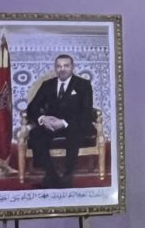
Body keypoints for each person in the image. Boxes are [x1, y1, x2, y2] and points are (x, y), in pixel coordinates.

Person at [25, 54, 96, 188]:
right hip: (51, 125)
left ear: (72, 67)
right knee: (35, 134)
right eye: (59, 66)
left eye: (66, 66)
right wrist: (43, 119)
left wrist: (63, 123)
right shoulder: (48, 85)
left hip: (74, 124)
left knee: (74, 132)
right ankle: (51, 174)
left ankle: (68, 175)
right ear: (55, 68)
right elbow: (32, 107)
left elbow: (86, 112)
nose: (62, 69)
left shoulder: (83, 85)